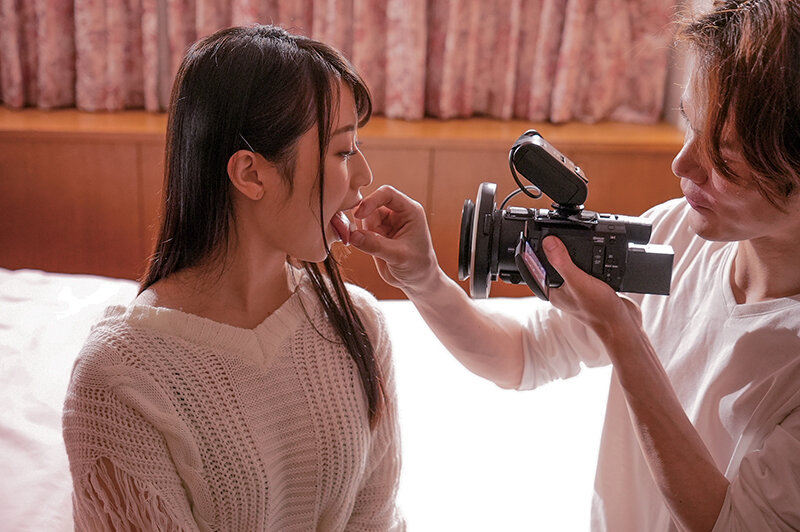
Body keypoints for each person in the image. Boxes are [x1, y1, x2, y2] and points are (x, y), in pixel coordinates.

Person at [349, 1, 800, 530]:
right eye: (689, 124)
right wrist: (423, 277)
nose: (682, 163)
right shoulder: (676, 231)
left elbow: (733, 523)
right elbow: (521, 354)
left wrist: (621, 336)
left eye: (723, 153)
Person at [62, 25, 404, 531]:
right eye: (342, 151)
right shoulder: (119, 382)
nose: (364, 176)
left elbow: (375, 520)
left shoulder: (359, 324)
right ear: (250, 173)